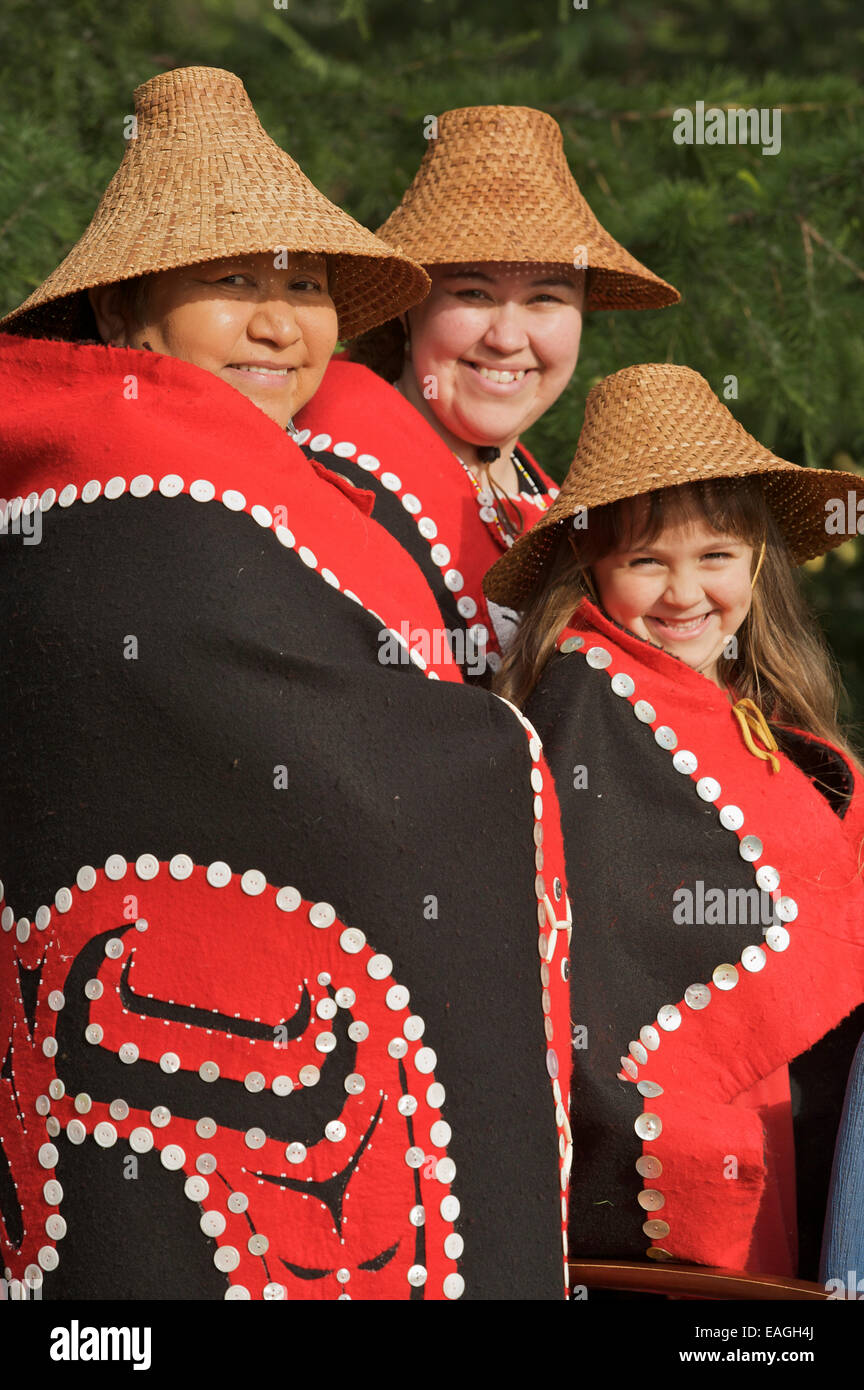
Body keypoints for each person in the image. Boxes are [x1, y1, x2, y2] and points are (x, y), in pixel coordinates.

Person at [0, 65, 572, 1302]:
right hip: (187, 1048)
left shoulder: (274, 475)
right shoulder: (145, 477)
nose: (281, 324)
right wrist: (499, 750)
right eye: (233, 284)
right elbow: (288, 737)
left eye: (304, 286)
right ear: (124, 314)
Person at [483, 363, 864, 1278]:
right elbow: (622, 947)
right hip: (706, 1109)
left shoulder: (741, 706)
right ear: (592, 567)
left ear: (759, 560)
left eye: (715, 557)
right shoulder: (591, 695)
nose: (685, 593)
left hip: (797, 1102)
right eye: (647, 561)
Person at [295, 104, 679, 677]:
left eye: (545, 298)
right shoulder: (320, 464)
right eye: (473, 293)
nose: (505, 338)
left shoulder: (552, 499)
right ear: (407, 310)